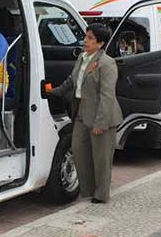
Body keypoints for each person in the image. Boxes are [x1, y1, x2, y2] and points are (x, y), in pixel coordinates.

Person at [49, 24, 122, 204]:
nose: (85, 40)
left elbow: (107, 96)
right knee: (79, 150)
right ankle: (88, 189)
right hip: (81, 111)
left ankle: (101, 194)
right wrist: (53, 92)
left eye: (90, 38)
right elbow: (71, 82)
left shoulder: (107, 63)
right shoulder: (82, 58)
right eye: (86, 37)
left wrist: (100, 123)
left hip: (102, 116)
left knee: (101, 157)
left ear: (100, 43)